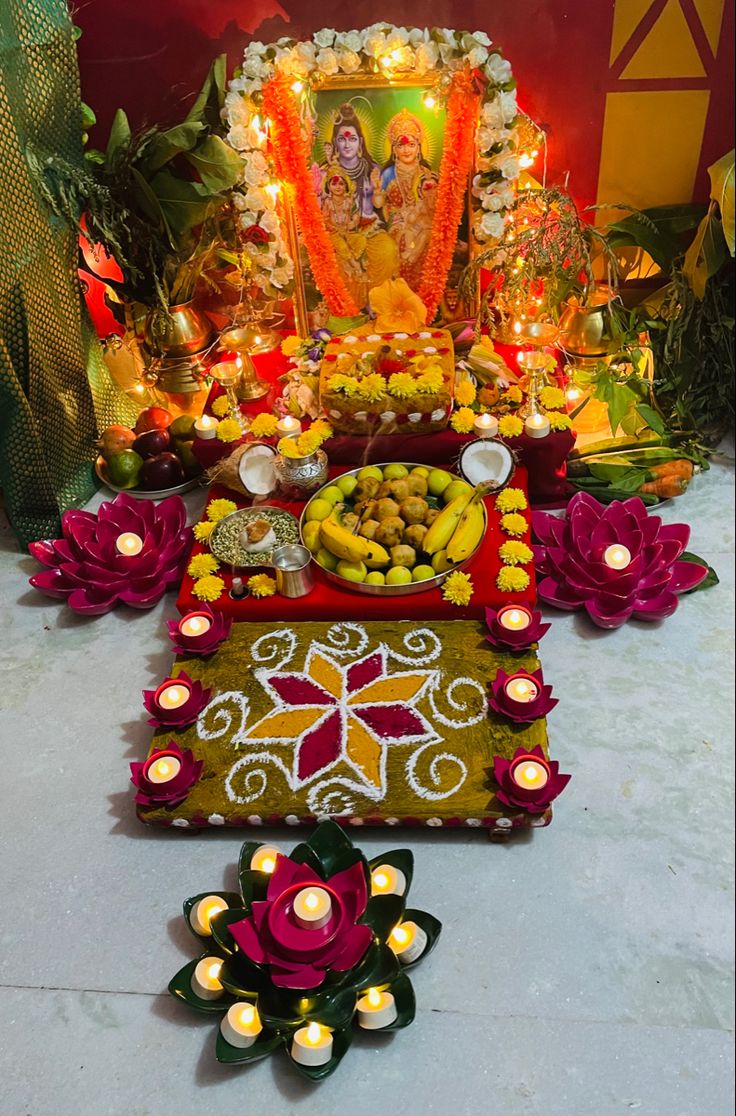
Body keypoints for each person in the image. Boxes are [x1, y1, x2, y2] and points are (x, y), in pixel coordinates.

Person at [315, 103, 398, 301]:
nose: (347, 144)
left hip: (369, 228)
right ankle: (350, 307)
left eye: (352, 139)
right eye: (341, 139)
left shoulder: (371, 168)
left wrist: (378, 190)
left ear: (360, 141)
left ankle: (378, 304)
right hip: (338, 230)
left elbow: (378, 205)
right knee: (336, 258)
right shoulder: (327, 172)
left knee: (388, 249)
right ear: (335, 142)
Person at [380, 109, 438, 289]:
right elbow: (381, 205)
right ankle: (403, 291)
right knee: (405, 241)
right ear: (394, 149)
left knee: (431, 240)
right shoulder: (389, 174)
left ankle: (426, 292)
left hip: (423, 217)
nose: (406, 150)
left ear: (419, 147)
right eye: (401, 145)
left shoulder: (425, 172)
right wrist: (376, 190)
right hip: (397, 219)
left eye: (411, 145)